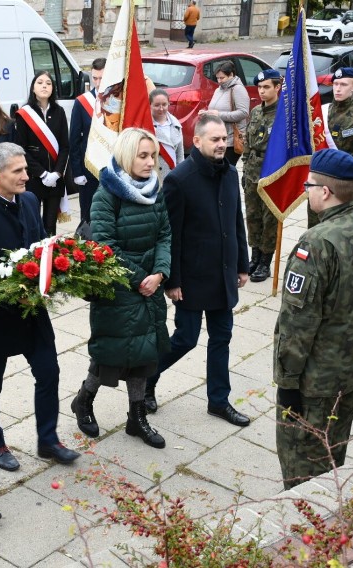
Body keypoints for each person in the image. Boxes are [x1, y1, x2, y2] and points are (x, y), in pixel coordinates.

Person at [0, 142, 80, 472]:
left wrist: (53, 275)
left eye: (26, 169)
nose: (27, 176)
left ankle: (48, 440)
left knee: (49, 372)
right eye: (19, 171)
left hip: (32, 313)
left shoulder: (28, 200)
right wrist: (12, 293)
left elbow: (40, 245)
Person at [274, 149, 353, 490]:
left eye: (309, 184)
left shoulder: (317, 243)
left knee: (301, 470)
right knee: (332, 457)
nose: (306, 190)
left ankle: (306, 536)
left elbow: (297, 324)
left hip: (316, 382)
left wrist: (287, 382)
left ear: (325, 192)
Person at [144, 114, 251, 427]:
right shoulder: (180, 180)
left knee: (222, 337)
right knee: (185, 339)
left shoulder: (231, 173)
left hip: (223, 275)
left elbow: (236, 221)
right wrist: (171, 280)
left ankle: (218, 401)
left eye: (223, 139)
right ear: (198, 141)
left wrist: (242, 264)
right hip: (189, 278)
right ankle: (147, 378)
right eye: (215, 139)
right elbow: (169, 234)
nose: (221, 144)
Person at [71, 128, 171, 449]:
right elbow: (104, 246)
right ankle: (84, 400)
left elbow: (164, 236)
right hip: (117, 288)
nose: (150, 162)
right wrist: (139, 278)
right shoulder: (106, 195)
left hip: (149, 287)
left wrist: (159, 273)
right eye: (143, 155)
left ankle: (136, 418)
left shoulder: (155, 191)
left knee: (143, 355)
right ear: (127, 156)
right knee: (110, 356)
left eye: (152, 155)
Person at [312, 67, 353, 227]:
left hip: (345, 185)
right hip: (321, 181)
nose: (338, 89)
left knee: (342, 230)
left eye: (343, 84)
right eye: (335, 84)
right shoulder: (321, 113)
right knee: (316, 228)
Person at [14, 71, 69, 235]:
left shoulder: (59, 112)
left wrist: (57, 173)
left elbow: (65, 146)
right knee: (33, 223)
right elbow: (21, 148)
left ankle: (49, 257)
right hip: (33, 178)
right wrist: (43, 174)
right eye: (40, 82)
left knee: (50, 226)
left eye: (48, 83)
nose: (44, 85)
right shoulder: (25, 114)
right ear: (33, 88)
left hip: (55, 180)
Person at [243, 69, 282, 283]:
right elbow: (248, 141)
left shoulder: (284, 115)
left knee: (269, 218)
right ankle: (255, 255)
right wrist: (245, 166)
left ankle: (266, 261)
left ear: (277, 87)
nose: (262, 91)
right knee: (252, 215)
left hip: (272, 170)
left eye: (266, 87)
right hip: (252, 170)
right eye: (259, 87)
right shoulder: (256, 111)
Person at [70, 57, 106, 224]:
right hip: (88, 170)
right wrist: (77, 172)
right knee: (88, 217)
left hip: (112, 168)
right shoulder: (82, 102)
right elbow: (74, 140)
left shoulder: (119, 102)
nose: (98, 83)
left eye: (102, 78)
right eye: (95, 78)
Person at [199, 61, 249, 166]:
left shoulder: (238, 89)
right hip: (217, 135)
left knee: (226, 170)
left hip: (231, 140)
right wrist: (206, 113)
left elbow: (243, 112)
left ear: (231, 74)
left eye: (222, 78)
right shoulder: (218, 90)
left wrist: (219, 115)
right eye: (217, 78)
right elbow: (215, 109)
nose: (219, 81)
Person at [149, 88, 184, 178]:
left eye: (164, 104)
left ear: (168, 103)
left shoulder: (176, 125)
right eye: (157, 105)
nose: (161, 109)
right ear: (150, 105)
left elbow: (180, 155)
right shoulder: (146, 126)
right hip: (153, 175)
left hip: (172, 175)